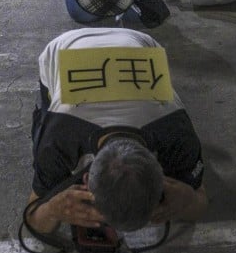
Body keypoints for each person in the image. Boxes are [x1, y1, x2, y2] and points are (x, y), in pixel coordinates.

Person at [24, 27, 207, 236]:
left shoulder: (177, 133)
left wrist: (188, 198)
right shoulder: (58, 137)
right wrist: (52, 209)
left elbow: (199, 200)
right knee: (40, 129)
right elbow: (34, 219)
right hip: (62, 48)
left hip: (141, 42)